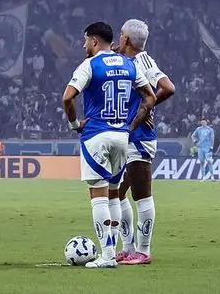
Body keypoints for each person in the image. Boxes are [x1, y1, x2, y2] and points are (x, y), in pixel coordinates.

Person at [62, 21, 155, 269]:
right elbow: (150, 96)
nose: (83, 45)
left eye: (85, 40)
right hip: (122, 137)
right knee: (114, 193)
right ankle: (114, 253)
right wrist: (132, 123)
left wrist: (75, 124)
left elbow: (67, 97)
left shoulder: (90, 65)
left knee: (98, 195)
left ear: (94, 40)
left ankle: (107, 255)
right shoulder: (129, 64)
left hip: (96, 135)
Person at [114, 19, 175, 265]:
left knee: (141, 195)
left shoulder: (144, 61)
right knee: (116, 194)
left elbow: (168, 87)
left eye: (121, 35)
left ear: (127, 39)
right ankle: (128, 248)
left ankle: (144, 251)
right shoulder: (122, 60)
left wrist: (147, 107)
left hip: (139, 137)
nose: (118, 38)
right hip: (125, 135)